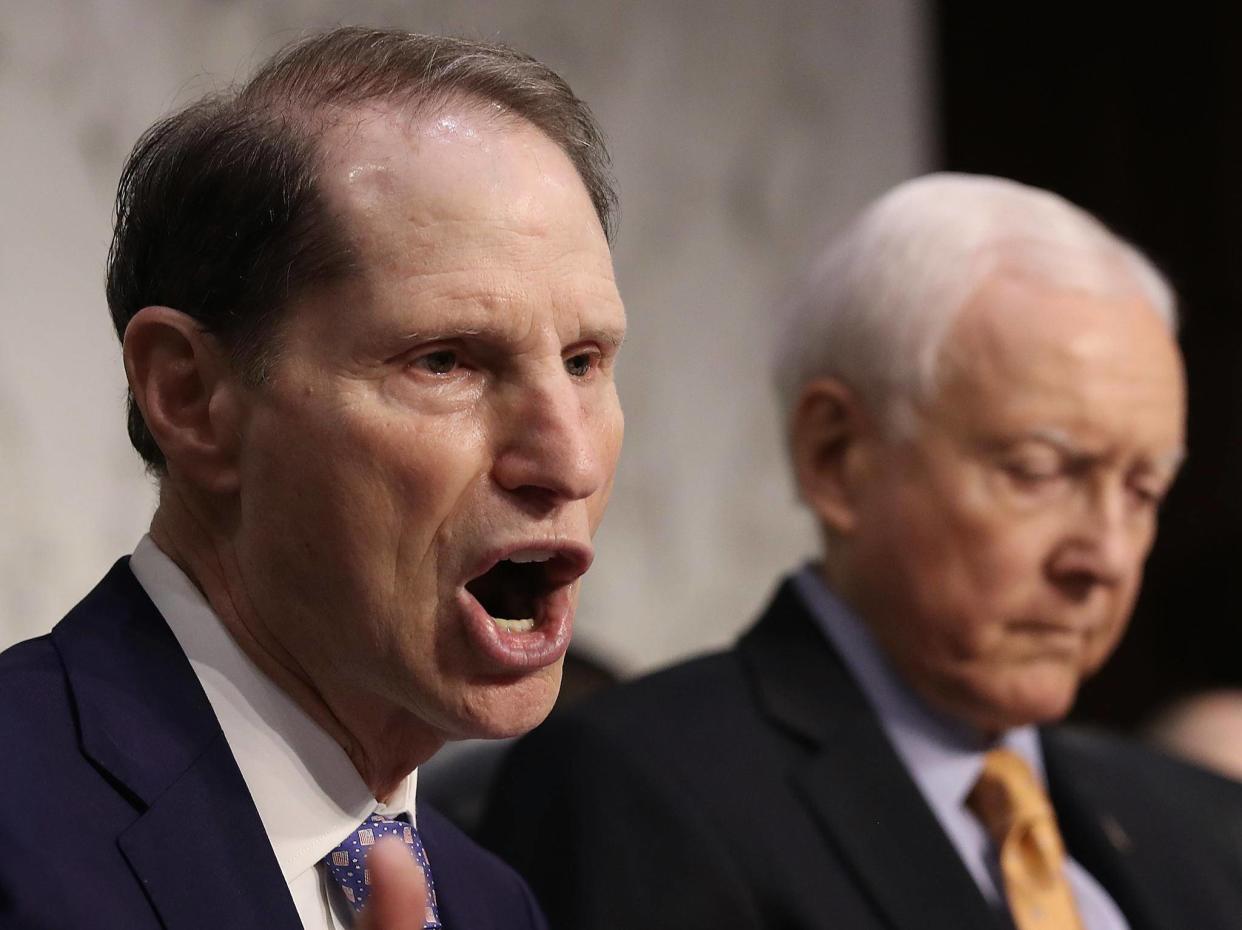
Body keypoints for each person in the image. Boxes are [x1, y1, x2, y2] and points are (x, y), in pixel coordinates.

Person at [480, 173, 1242, 930]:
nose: (1105, 557)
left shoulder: (1204, 820)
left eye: (1142, 491)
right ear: (836, 456)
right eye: (1038, 472)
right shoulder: (637, 787)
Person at [0, 26, 626, 930]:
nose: (567, 460)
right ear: (192, 396)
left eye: (583, 361)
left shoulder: (495, 903)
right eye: (445, 360)